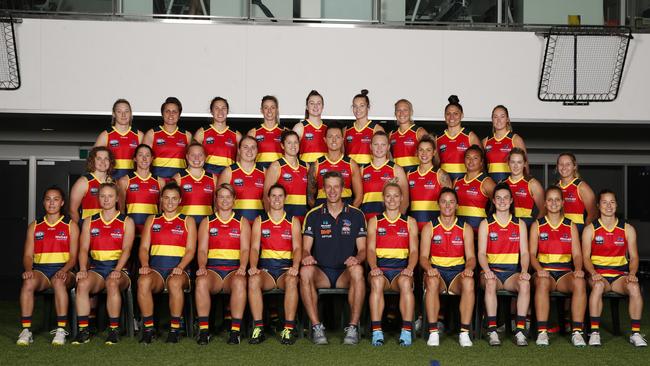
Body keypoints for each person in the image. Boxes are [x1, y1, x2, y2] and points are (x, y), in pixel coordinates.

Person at [300, 171, 367, 345]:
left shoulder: (356, 214)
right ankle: (316, 327)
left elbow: (363, 250)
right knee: (305, 271)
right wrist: (306, 257)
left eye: (336, 186)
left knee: (358, 270)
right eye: (328, 186)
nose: (332, 191)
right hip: (321, 272)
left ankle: (352, 327)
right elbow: (305, 249)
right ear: (323, 189)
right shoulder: (313, 215)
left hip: (344, 272)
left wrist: (357, 259)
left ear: (343, 189)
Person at [582, 190, 647, 347]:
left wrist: (632, 273)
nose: (608, 206)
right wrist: (593, 273)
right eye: (604, 202)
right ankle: (595, 333)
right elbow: (585, 257)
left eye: (612, 202)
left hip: (619, 276)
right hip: (599, 276)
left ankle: (636, 333)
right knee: (597, 286)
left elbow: (635, 257)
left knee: (634, 287)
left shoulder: (627, 228)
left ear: (616, 205)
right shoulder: (590, 229)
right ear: (598, 205)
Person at [72, 183, 135, 345]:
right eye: (102, 196)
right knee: (82, 283)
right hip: (98, 269)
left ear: (117, 199)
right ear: (98, 198)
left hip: (121, 269)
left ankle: (113, 330)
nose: (106, 200)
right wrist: (83, 269)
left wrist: (118, 269)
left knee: (113, 282)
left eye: (110, 196)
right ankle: (83, 330)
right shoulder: (89, 221)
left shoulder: (126, 221)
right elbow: (84, 249)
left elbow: (127, 249)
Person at [17, 187, 79, 346]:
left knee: (58, 282)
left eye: (56, 199)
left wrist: (64, 270)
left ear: (62, 202)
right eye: (48, 199)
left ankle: (60, 330)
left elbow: (73, 257)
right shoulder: (35, 226)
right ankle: (26, 330)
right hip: (42, 271)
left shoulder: (70, 225)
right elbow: (28, 256)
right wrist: (29, 270)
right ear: (43, 202)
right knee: (28, 282)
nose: (52, 203)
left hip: (65, 269)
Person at [137, 183, 197, 344]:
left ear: (180, 201)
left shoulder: (188, 221)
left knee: (175, 283)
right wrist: (145, 264)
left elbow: (191, 250)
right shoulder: (152, 219)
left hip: (178, 270)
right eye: (166, 198)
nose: (170, 202)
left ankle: (174, 329)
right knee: (143, 282)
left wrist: (180, 267)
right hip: (156, 270)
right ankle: (149, 329)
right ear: (161, 200)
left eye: (174, 198)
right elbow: (143, 247)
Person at [529, 186, 587, 347]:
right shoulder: (537, 225)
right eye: (550, 200)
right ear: (545, 204)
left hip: (564, 273)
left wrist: (578, 269)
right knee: (541, 282)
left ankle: (577, 332)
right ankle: (542, 332)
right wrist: (540, 270)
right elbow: (531, 255)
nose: (553, 203)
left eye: (557, 199)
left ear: (562, 203)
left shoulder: (570, 225)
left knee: (580, 282)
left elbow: (577, 254)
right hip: (544, 272)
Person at [194, 183, 250, 345]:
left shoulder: (242, 222)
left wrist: (242, 267)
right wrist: (202, 266)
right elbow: (202, 250)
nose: (225, 200)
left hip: (234, 270)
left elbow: (245, 249)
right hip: (214, 270)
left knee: (240, 282)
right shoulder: (207, 221)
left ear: (234, 200)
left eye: (228, 197)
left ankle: (235, 331)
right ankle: (204, 330)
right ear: (216, 200)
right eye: (221, 197)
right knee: (201, 281)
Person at [419, 187, 475, 347]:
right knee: (431, 281)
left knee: (469, 282)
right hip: (437, 271)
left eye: (451, 202)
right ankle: (433, 332)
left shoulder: (466, 228)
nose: (447, 205)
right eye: (443, 202)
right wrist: (429, 268)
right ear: (438, 205)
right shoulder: (429, 227)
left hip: (458, 272)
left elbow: (471, 257)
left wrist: (468, 268)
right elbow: (423, 257)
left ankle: (464, 333)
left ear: (457, 205)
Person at [247, 184, 302, 345]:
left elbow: (298, 247)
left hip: (286, 269)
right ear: (268, 199)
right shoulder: (260, 220)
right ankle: (258, 328)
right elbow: (254, 248)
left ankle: (288, 329)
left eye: (280, 196)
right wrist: (253, 266)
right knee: (253, 280)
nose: (277, 199)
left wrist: (296, 267)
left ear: (285, 198)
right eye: (274, 196)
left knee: (292, 281)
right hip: (267, 270)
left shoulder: (293, 221)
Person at [478, 183, 530, 346]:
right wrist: (486, 270)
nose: (502, 201)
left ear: (511, 200)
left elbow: (525, 253)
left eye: (505, 198)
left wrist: (524, 270)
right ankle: (492, 330)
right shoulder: (485, 224)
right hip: (492, 272)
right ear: (493, 201)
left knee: (525, 283)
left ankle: (520, 330)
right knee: (491, 283)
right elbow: (480, 253)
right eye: (498, 198)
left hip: (511, 274)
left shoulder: (519, 224)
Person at [367, 183, 418, 346]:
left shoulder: (410, 221)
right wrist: (374, 267)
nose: (392, 199)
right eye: (388, 196)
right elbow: (370, 249)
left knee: (405, 282)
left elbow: (415, 251)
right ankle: (376, 331)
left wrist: (410, 268)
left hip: (400, 269)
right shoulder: (375, 221)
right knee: (375, 282)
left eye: (396, 196)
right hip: (380, 268)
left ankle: (406, 331)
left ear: (402, 198)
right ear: (383, 198)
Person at [308, 122, 363, 208]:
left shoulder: (351, 164)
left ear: (342, 139)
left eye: (337, 137)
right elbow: (310, 197)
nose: (334, 140)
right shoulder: (317, 164)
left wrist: (349, 213)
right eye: (330, 137)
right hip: (322, 209)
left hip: (346, 208)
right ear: (325, 140)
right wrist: (318, 213)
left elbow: (359, 197)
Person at [360, 131, 409, 220]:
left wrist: (395, 220)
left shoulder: (397, 170)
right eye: (376, 144)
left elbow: (405, 201)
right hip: (366, 220)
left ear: (388, 147)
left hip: (389, 223)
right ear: (370, 146)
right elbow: (358, 198)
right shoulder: (362, 170)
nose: (379, 148)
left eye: (383, 144)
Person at [117, 144, 164, 235]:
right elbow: (121, 210)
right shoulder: (124, 181)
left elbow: (161, 211)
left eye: (147, 155)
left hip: (152, 231)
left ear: (152, 158)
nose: (144, 159)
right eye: (140, 155)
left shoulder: (160, 181)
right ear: (135, 158)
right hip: (131, 232)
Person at [408, 135, 452, 230]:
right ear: (417, 152)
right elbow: (404, 202)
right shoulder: (409, 174)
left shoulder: (441, 174)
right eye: (421, 150)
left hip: (435, 228)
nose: (424, 153)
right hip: (413, 228)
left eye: (428, 150)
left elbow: (450, 204)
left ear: (434, 152)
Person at [263, 130, 309, 223]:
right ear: (282, 145)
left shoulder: (306, 166)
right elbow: (266, 195)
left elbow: (311, 195)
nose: (293, 145)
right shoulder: (276, 166)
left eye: (295, 142)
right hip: (284, 219)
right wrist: (271, 219)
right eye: (289, 143)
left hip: (303, 218)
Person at [143, 97, 192, 180]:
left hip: (179, 182)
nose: (171, 114)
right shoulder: (152, 134)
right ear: (162, 114)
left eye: (174, 112)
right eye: (167, 111)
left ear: (179, 115)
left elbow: (192, 162)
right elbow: (142, 160)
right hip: (157, 181)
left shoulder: (187, 135)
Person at [218, 136, 265, 222]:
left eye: (253, 147)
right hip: (236, 224)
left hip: (258, 222)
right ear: (239, 150)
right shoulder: (229, 172)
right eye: (245, 147)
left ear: (257, 151)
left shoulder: (264, 172)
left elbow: (268, 200)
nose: (249, 151)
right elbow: (218, 200)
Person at [94, 99, 143, 180]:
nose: (123, 115)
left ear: (130, 114)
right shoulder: (105, 135)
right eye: (119, 111)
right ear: (114, 114)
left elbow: (147, 161)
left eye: (126, 111)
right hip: (111, 182)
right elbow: (93, 160)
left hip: (132, 183)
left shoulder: (139, 135)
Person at [436, 95, 481, 181]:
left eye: (455, 114)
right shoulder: (438, 138)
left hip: (464, 182)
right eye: (448, 114)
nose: (451, 117)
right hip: (445, 183)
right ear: (444, 116)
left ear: (462, 115)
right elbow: (436, 164)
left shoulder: (470, 136)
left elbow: (480, 163)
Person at [193, 97, 241, 177]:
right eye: (216, 108)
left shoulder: (237, 135)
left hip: (227, 178)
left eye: (223, 108)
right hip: (207, 178)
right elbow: (193, 158)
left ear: (227, 111)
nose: (220, 111)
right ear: (211, 111)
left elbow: (240, 162)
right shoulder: (201, 133)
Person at [454, 145, 496, 233]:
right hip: (458, 232)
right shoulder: (456, 181)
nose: (470, 161)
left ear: (481, 162)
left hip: (479, 231)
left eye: (475, 158)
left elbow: (498, 205)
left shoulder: (486, 182)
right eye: (468, 157)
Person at [173, 142, 216, 225]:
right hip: (183, 225)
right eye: (193, 155)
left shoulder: (213, 178)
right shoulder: (178, 178)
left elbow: (216, 206)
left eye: (200, 155)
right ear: (187, 156)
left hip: (206, 225)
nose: (197, 158)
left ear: (205, 157)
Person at [482, 105, 526, 183]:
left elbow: (525, 167)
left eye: (502, 116)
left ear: (507, 119)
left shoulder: (515, 139)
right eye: (495, 117)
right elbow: (481, 169)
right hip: (492, 187)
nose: (498, 120)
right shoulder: (485, 141)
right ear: (492, 119)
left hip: (511, 186)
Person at [556, 152, 598, 234]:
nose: (564, 167)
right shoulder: (556, 187)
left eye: (568, 164)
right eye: (561, 164)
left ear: (574, 166)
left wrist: (584, 235)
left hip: (578, 229)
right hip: (559, 229)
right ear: (557, 167)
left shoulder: (582, 187)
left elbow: (593, 214)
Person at [503, 148, 544, 228]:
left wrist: (534, 227)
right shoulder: (502, 183)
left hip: (526, 225)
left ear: (525, 164)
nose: (515, 166)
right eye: (512, 162)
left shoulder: (532, 184)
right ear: (508, 163)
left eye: (519, 162)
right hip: (507, 225)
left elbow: (544, 209)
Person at [344, 89, 384, 166]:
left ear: (368, 107)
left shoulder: (376, 129)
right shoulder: (346, 130)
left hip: (369, 172)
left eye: (362, 106)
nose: (358, 109)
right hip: (351, 171)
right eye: (355, 106)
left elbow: (384, 155)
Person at [389, 99, 427, 173]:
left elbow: (431, 154)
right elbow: (389, 157)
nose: (401, 113)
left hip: (415, 175)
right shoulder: (391, 135)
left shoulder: (419, 132)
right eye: (398, 110)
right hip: (398, 175)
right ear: (395, 113)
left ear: (411, 112)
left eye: (405, 110)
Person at [247, 95, 284, 169]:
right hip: (260, 174)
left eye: (272, 108)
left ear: (277, 110)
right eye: (266, 107)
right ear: (261, 110)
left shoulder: (285, 132)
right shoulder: (253, 133)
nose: (269, 111)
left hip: (280, 172)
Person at [293, 90, 328, 163]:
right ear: (307, 107)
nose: (315, 106)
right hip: (306, 171)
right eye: (312, 103)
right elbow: (290, 152)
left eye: (319, 103)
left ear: (323, 106)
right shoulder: (299, 127)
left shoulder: (328, 129)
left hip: (325, 172)